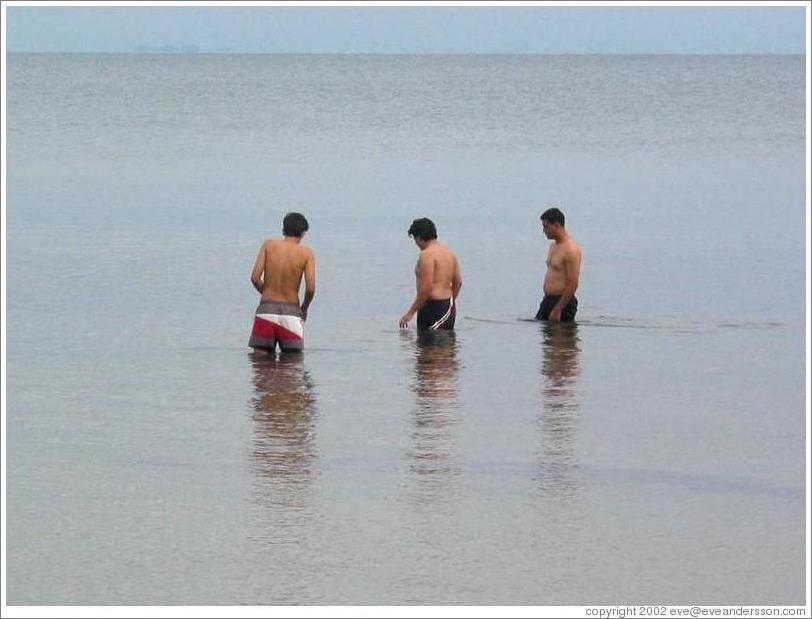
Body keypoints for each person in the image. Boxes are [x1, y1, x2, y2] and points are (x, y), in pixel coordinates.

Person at [249, 212, 316, 352]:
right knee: (292, 369)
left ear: (283, 229)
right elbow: (310, 289)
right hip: (291, 314)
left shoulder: (268, 245)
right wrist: (304, 308)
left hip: (266, 311)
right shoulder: (307, 253)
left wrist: (267, 292)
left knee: (261, 369)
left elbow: (255, 278)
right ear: (303, 233)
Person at [399, 218, 462, 331]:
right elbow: (458, 282)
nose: (416, 243)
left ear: (418, 237)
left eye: (415, 239)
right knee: (438, 347)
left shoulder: (427, 255)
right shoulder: (449, 252)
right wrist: (450, 302)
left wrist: (410, 313)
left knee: (432, 346)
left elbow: (427, 287)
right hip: (444, 306)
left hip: (434, 307)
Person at [536, 207, 581, 322]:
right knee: (545, 338)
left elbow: (573, 284)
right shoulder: (553, 246)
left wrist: (558, 309)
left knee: (560, 339)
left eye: (546, 227)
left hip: (562, 303)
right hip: (548, 300)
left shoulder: (571, 249)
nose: (543, 230)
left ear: (556, 225)